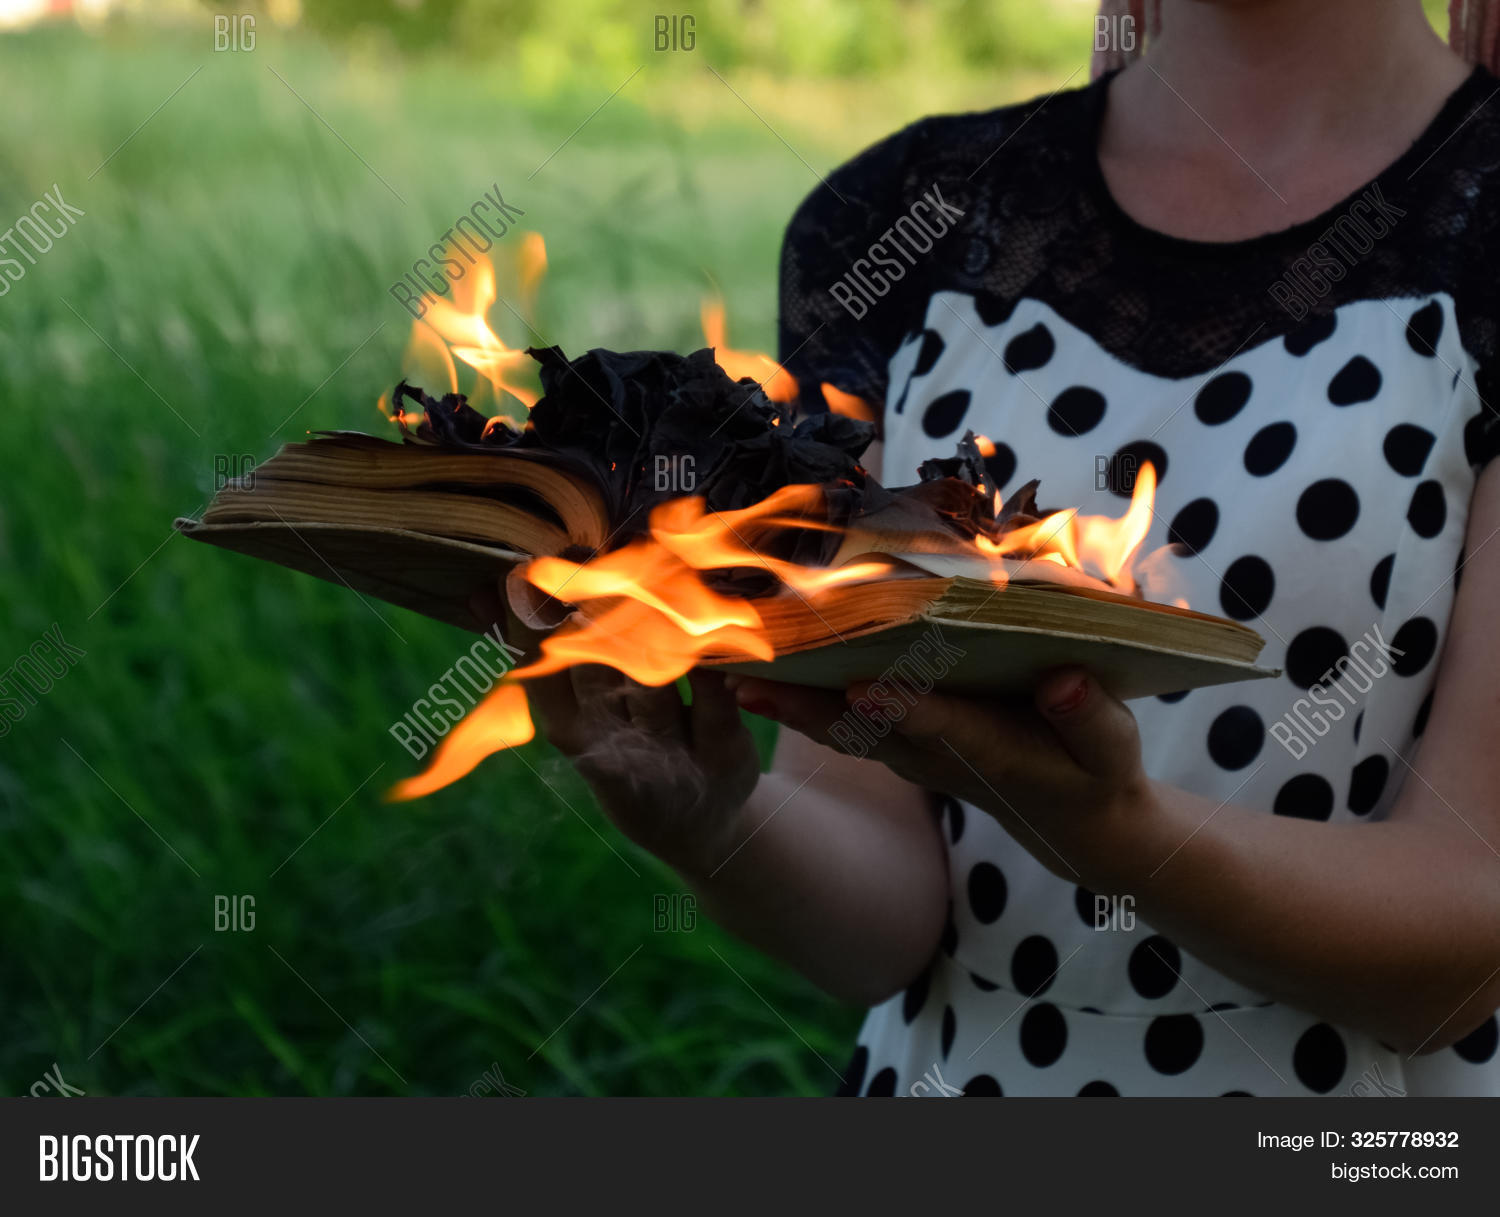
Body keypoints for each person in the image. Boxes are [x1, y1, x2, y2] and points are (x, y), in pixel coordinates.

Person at [519, 0, 1500, 1095]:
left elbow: (1460, 952)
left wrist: (1115, 834)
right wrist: (712, 821)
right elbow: (886, 919)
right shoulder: (898, 216)